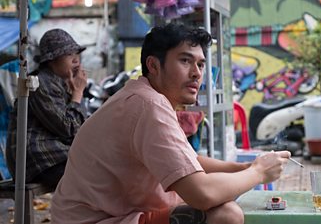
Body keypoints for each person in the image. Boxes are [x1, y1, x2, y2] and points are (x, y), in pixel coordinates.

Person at [50, 23, 290, 224]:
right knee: (225, 215)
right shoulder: (149, 105)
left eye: (201, 64)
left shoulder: (145, 97)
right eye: (186, 61)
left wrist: (243, 169)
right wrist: (259, 172)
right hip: (97, 221)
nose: (197, 73)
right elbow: (202, 194)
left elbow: (188, 161)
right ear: (154, 66)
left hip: (108, 215)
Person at [5, 28, 88, 189]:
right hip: (37, 159)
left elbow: (79, 130)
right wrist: (78, 93)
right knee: (92, 174)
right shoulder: (41, 83)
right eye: (69, 55)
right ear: (51, 60)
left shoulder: (62, 84)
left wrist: (76, 93)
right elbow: (68, 129)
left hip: (55, 155)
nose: (76, 60)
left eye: (77, 54)